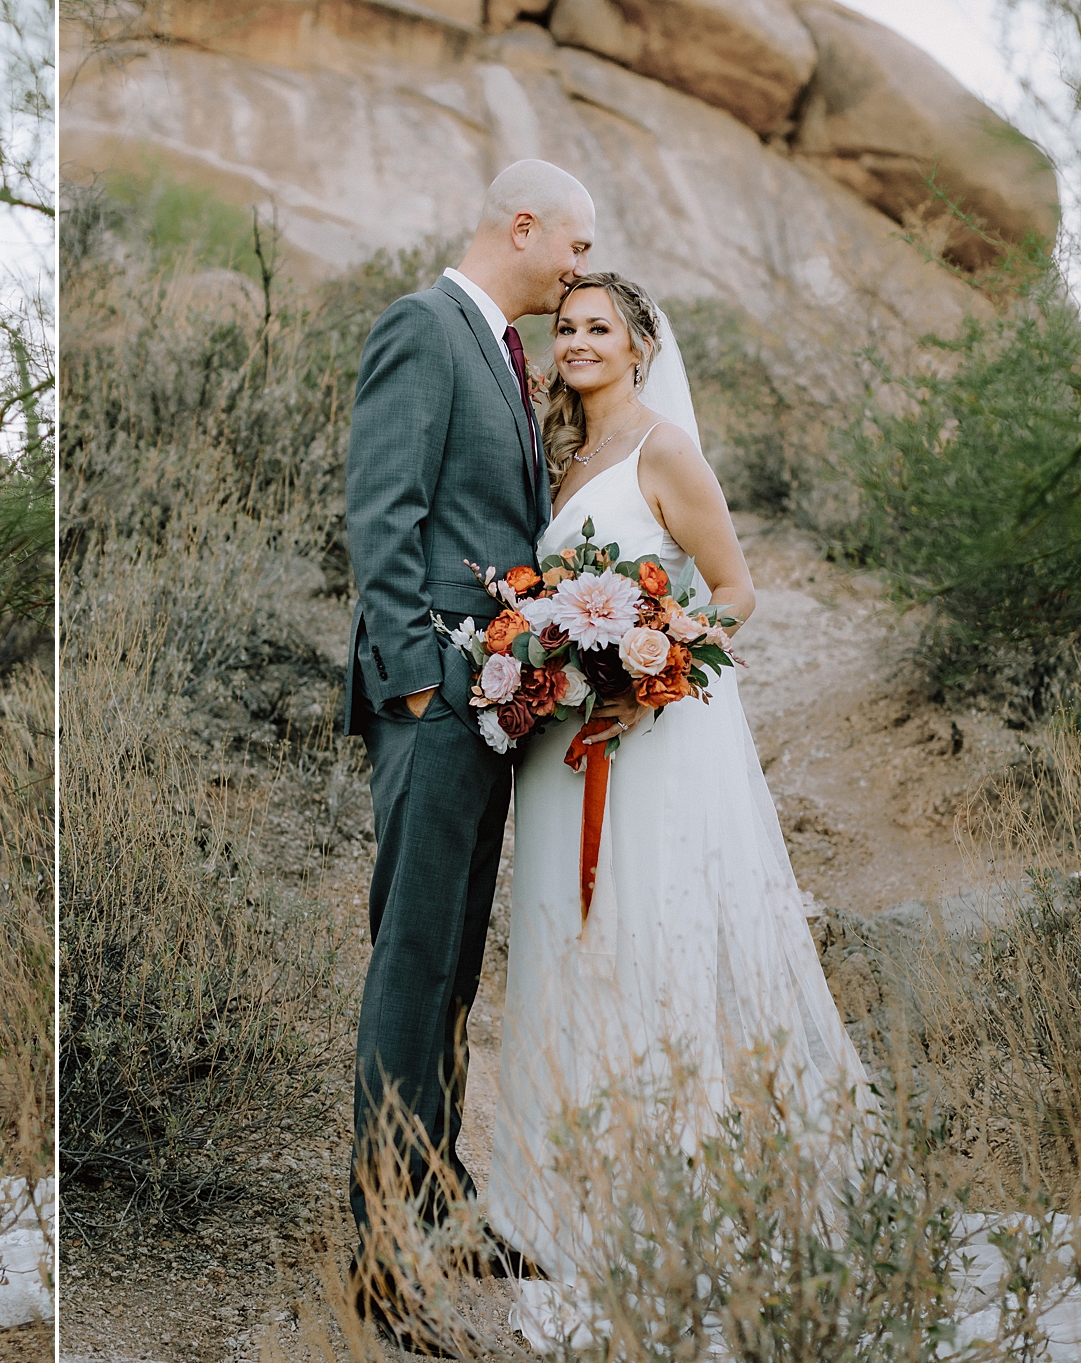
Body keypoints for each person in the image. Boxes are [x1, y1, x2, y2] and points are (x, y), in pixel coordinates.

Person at [486, 272, 871, 1344]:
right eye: (563, 328)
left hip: (648, 737)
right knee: (563, 939)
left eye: (597, 327)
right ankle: (546, 1197)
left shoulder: (663, 449)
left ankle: (665, 1190)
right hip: (559, 743)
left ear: (640, 346)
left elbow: (733, 588)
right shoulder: (557, 457)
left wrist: (649, 666)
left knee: (642, 937)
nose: (574, 342)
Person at [337, 159, 594, 1348]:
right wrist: (412, 684)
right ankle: (380, 1260)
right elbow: (381, 510)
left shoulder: (502, 353)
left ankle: (438, 1195)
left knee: (450, 970)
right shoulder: (422, 327)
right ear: (524, 225)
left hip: (489, 705)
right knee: (410, 965)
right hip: (435, 703)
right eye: (574, 248)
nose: (578, 271)